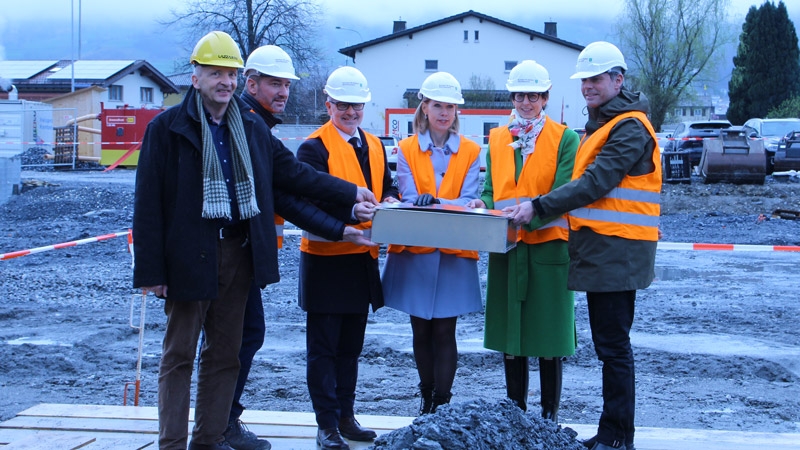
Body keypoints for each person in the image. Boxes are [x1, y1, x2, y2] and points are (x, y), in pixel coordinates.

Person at [132, 32, 376, 450]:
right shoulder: (167, 128)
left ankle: (209, 438)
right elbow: (148, 203)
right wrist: (151, 272)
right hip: (189, 255)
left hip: (239, 254)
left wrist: (350, 194)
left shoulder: (249, 127)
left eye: (229, 73)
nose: (223, 81)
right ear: (196, 77)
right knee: (179, 357)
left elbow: (295, 177)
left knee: (226, 353)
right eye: (215, 74)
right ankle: (172, 444)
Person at [509, 42, 660, 450]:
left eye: (596, 79)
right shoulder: (604, 124)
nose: (588, 87)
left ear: (618, 79)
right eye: (584, 80)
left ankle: (618, 436)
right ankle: (612, 431)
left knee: (613, 347)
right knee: (609, 346)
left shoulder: (629, 127)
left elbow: (596, 183)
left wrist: (538, 206)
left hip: (619, 251)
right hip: (604, 251)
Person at [219, 44, 363, 450]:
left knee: (246, 335)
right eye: (274, 83)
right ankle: (219, 425)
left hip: (245, 251)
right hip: (231, 250)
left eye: (286, 84)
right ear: (251, 83)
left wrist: (342, 226)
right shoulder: (250, 126)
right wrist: (349, 201)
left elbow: (285, 195)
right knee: (237, 338)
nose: (282, 91)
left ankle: (222, 421)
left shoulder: (255, 126)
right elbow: (297, 181)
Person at [466, 60, 579, 421]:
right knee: (511, 335)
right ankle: (516, 413)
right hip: (507, 248)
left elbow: (565, 191)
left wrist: (531, 216)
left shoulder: (566, 138)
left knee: (548, 336)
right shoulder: (498, 138)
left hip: (548, 247)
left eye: (533, 95)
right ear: (511, 98)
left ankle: (549, 416)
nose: (526, 102)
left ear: (545, 98)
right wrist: (479, 204)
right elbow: (491, 191)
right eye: (519, 95)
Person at [295, 66, 399, 450]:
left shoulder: (373, 144)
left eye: (356, 105)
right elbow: (311, 201)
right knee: (323, 348)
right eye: (343, 105)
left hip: (361, 259)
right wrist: (349, 217)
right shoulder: (313, 147)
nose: (351, 112)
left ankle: (345, 416)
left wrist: (389, 201)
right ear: (329, 104)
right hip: (325, 259)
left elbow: (385, 187)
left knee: (351, 347)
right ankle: (326, 425)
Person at [382, 72, 483, 415]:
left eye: (450, 107)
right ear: (424, 107)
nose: (444, 112)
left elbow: (469, 198)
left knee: (444, 331)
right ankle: (426, 399)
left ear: (457, 111)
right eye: (437, 105)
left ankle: (442, 402)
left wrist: (437, 203)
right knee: (420, 330)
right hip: (416, 252)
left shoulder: (471, 150)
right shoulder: (406, 148)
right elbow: (407, 196)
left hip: (453, 252)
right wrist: (432, 202)